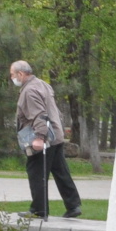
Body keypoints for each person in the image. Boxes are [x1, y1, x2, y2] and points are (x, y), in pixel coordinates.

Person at [10, 61, 83, 219]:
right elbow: (54, 110)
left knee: (36, 172)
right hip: (56, 134)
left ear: (21, 74)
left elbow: (39, 114)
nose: (12, 78)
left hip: (44, 138)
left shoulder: (29, 91)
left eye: (12, 74)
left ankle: (39, 209)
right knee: (60, 171)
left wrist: (40, 138)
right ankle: (73, 205)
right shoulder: (43, 84)